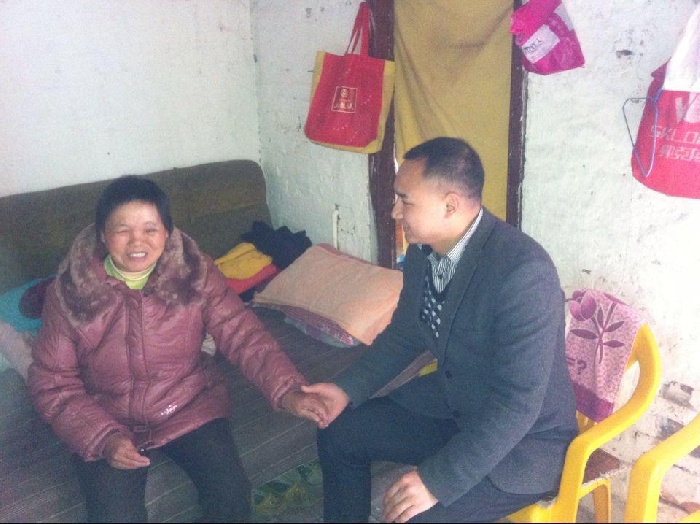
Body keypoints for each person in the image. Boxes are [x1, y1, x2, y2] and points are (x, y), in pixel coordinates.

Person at [302, 137, 579, 523]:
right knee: (340, 432)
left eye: (405, 200)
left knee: (412, 516)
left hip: (520, 443)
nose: (395, 211)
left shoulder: (524, 273)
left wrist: (437, 480)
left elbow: (516, 405)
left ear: (450, 205)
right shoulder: (423, 250)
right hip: (455, 405)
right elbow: (407, 333)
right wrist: (346, 389)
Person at [27, 175, 327, 523]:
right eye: (123, 230)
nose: (137, 241)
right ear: (103, 235)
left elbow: (243, 335)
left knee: (231, 496)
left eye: (150, 229)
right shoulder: (70, 292)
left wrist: (288, 390)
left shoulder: (195, 274)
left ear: (167, 233)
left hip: (188, 404)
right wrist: (104, 438)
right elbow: (53, 382)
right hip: (106, 413)